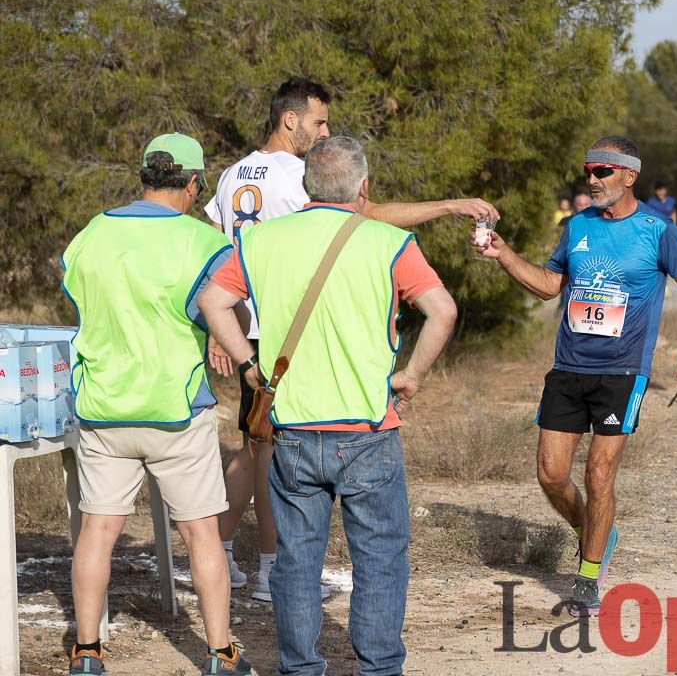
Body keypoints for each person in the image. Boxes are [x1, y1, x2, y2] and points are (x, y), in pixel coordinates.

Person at [205, 77, 497, 602]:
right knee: (276, 456)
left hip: (251, 330)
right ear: (289, 120)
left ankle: (223, 554)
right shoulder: (299, 173)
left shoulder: (232, 174)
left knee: (252, 449)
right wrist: (451, 206)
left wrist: (221, 335)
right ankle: (273, 568)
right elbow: (363, 217)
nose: (325, 134)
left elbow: (216, 243)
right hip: (291, 347)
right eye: (319, 122)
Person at [200, 135, 457, 676]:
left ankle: (299, 668)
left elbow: (212, 302)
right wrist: (410, 376)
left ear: (305, 186)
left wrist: (249, 365)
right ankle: (380, 668)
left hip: (292, 429)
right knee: (381, 561)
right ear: (363, 188)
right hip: (368, 428)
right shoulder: (390, 243)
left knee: (295, 563)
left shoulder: (263, 241)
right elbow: (443, 312)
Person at [474, 135, 677, 615]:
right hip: (568, 368)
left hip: (623, 372)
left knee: (599, 473)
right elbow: (547, 285)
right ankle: (596, 531)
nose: (592, 179)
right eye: (589, 170)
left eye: (603, 171)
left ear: (629, 176)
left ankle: (587, 577)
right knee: (551, 475)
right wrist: (504, 255)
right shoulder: (577, 225)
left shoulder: (658, 230)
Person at [61, 134, 252, 675]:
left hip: (104, 406)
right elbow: (227, 313)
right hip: (175, 408)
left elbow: (77, 294)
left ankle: (88, 651)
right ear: (193, 183)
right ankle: (218, 653)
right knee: (202, 533)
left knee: (98, 530)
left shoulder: (91, 234)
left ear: (145, 175)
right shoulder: (201, 242)